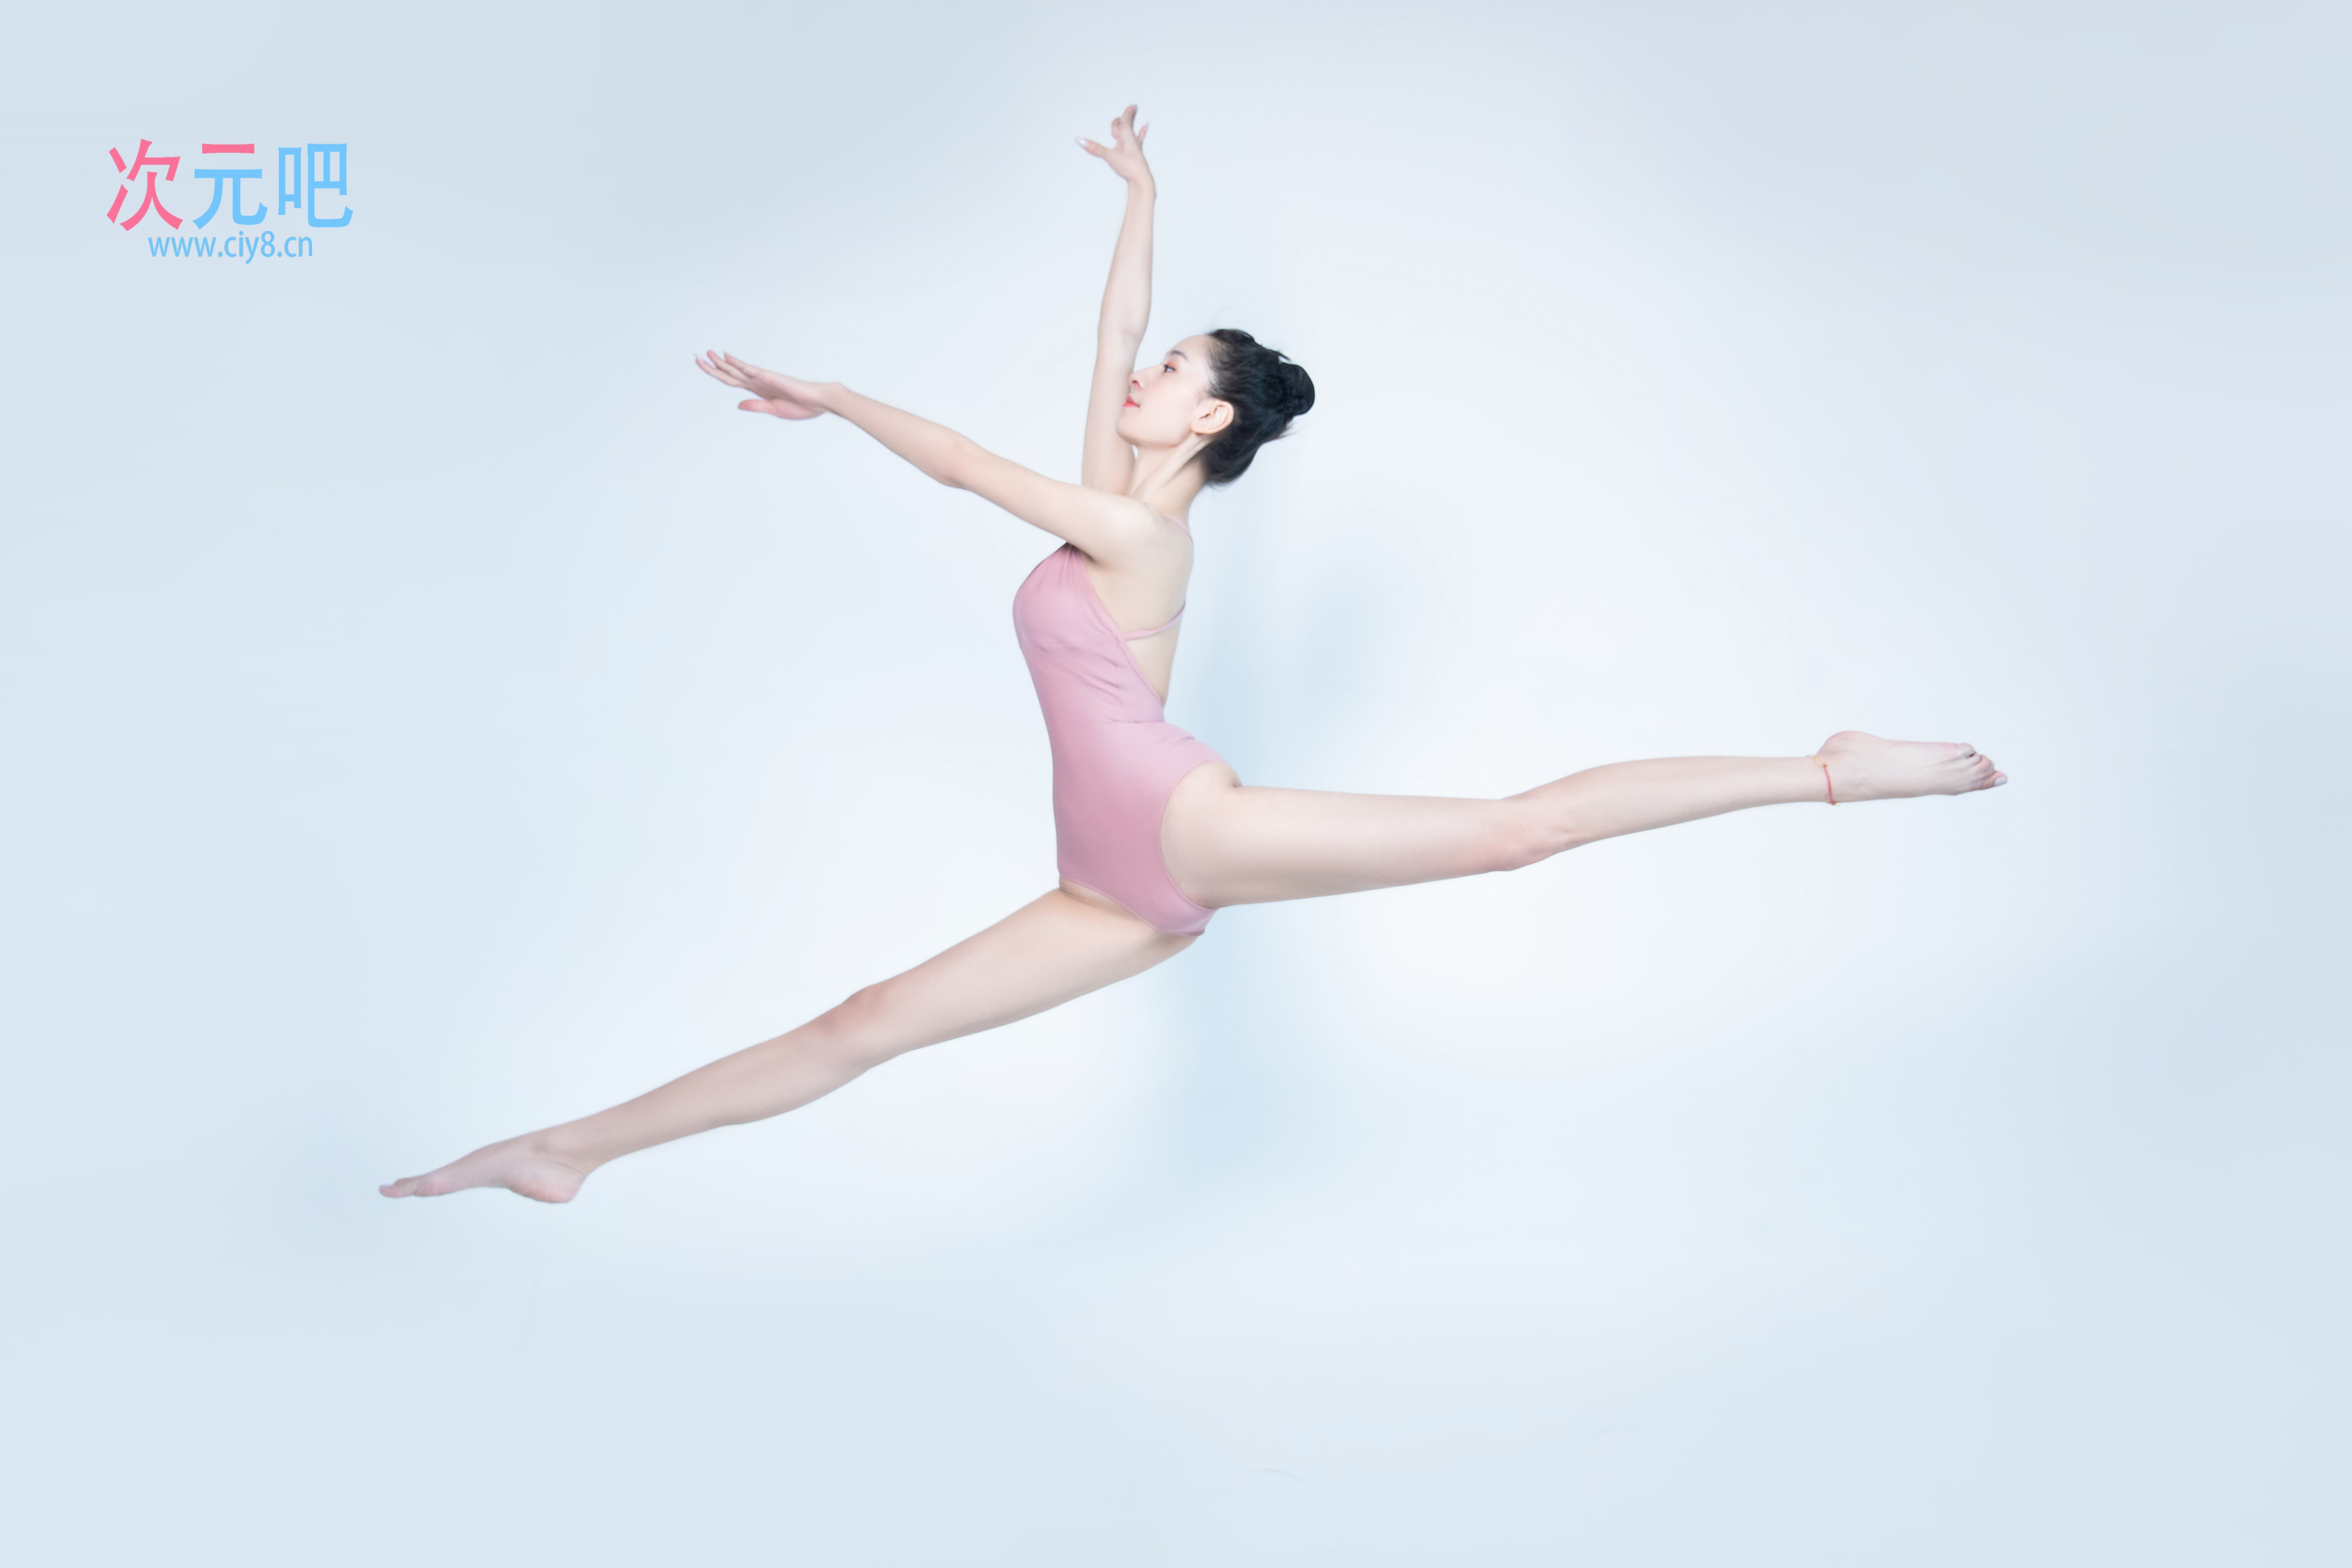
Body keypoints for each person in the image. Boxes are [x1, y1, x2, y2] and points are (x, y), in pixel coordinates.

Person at [382, 106, 2003, 1204]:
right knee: (862, 1021)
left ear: (1209, 416)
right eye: (1155, 364)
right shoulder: (1119, 498)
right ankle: (567, 1149)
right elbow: (1102, 337)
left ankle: (1830, 769)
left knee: (1519, 832)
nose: (1142, 376)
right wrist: (1141, 201)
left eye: (1172, 372)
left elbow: (961, 463)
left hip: (1180, 823)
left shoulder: (1144, 538)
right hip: (1106, 884)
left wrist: (835, 393)